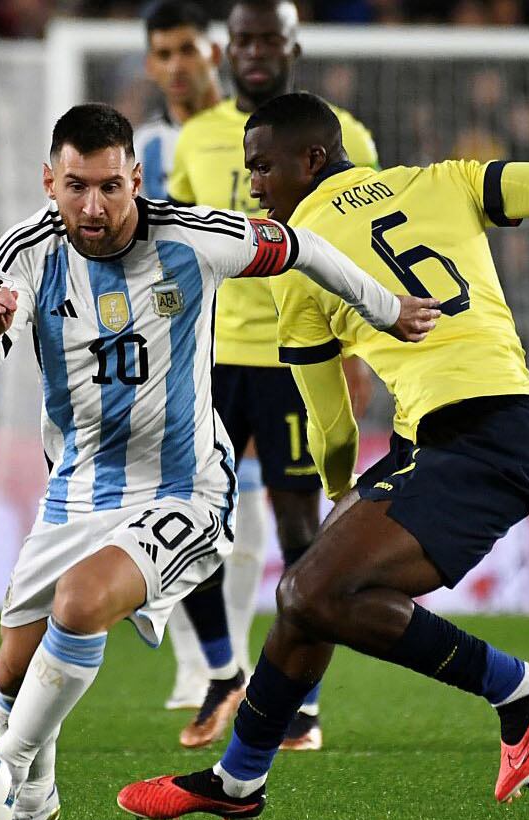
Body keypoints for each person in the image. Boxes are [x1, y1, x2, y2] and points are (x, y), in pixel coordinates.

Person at [117, 92, 529, 819]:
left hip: (480, 440)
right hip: (482, 428)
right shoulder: (443, 180)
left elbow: (329, 417)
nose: (254, 184)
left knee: (309, 591)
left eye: (263, 166)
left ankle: (521, 688)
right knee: (306, 599)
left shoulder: (301, 261)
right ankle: (237, 781)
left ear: (314, 159)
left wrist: (338, 486)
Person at [0, 102, 438, 820]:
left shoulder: (194, 236)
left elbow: (302, 246)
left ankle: (1, 767)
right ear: (49, 181)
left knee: (83, 602)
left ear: (137, 178)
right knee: (11, 672)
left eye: (111, 186)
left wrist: (383, 308)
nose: (95, 206)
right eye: (77, 186)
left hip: (185, 484)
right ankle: (32, 800)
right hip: (77, 485)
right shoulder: (23, 251)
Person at [165, 0, 382, 751]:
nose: (255, 52)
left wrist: (353, 353)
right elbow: (180, 249)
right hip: (212, 358)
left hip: (299, 357)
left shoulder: (345, 135)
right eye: (244, 40)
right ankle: (224, 672)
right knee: (180, 518)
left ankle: (303, 703)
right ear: (227, 50)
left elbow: (360, 258)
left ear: (294, 45)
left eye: (270, 39)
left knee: (302, 532)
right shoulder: (196, 138)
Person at [135, 0, 269, 715]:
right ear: (150, 63)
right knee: (180, 505)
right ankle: (199, 665)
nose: (176, 66)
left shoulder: (259, 135)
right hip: (177, 349)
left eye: (187, 49)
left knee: (246, 501)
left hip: (260, 345)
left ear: (213, 54)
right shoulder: (143, 152)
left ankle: (233, 658)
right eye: (162, 54)